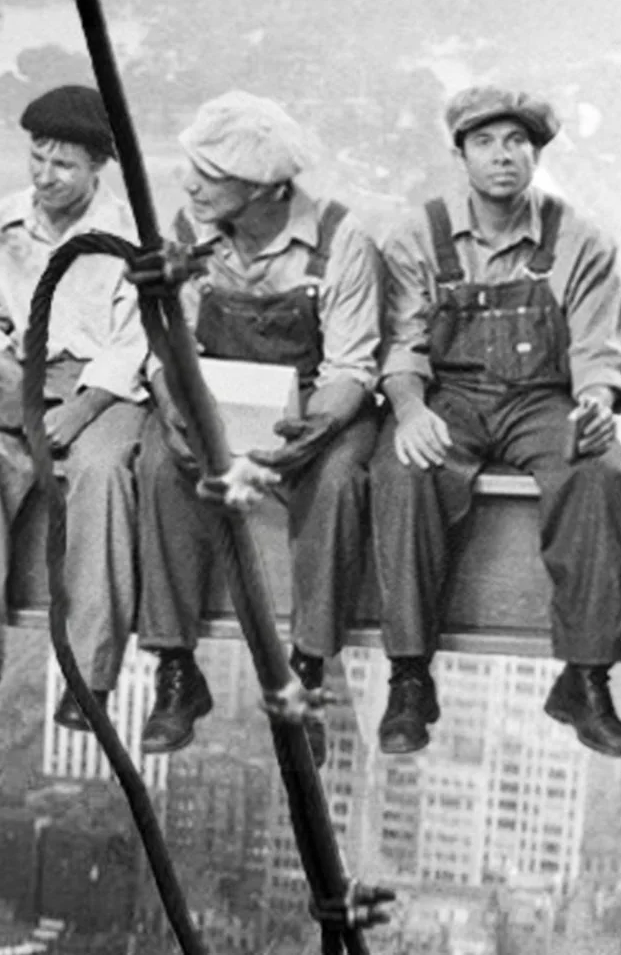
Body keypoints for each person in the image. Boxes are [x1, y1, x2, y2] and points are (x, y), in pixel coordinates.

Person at [372, 85, 621, 759]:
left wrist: (595, 405)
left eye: (517, 141)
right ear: (460, 154)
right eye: (485, 142)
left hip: (542, 400)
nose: (502, 155)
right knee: (404, 471)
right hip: (450, 399)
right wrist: (409, 409)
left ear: (536, 153)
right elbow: (402, 345)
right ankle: (408, 676)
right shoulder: (415, 236)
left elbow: (596, 350)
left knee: (599, 473)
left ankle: (585, 678)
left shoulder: (581, 240)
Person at [132, 93, 382, 755]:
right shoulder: (186, 232)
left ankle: (305, 674)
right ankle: (175, 669)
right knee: (159, 462)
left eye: (212, 175)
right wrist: (173, 404)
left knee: (335, 481)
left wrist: (314, 430)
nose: (190, 184)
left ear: (267, 188)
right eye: (193, 166)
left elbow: (351, 367)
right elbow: (167, 341)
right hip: (215, 399)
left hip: (313, 404)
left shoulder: (341, 239)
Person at [0, 84, 148, 727]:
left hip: (105, 389)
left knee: (101, 473)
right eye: (37, 157)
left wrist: (78, 411)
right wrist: (17, 384)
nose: (45, 176)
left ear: (97, 167)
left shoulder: (130, 234)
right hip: (22, 374)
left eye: (64, 165)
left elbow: (134, 342)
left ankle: (89, 679)